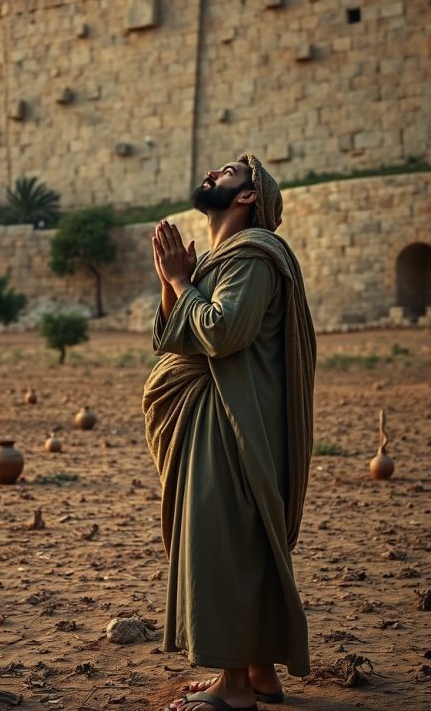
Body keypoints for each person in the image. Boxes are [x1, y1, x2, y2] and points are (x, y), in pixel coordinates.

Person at [143, 154, 316, 711]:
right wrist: (179, 287)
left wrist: (177, 281)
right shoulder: (225, 261)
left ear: (247, 196)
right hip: (218, 417)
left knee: (225, 544)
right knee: (240, 542)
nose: (214, 174)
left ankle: (235, 688)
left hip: (232, 422)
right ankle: (260, 673)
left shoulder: (254, 257)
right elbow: (180, 336)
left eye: (228, 173)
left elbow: (221, 334)